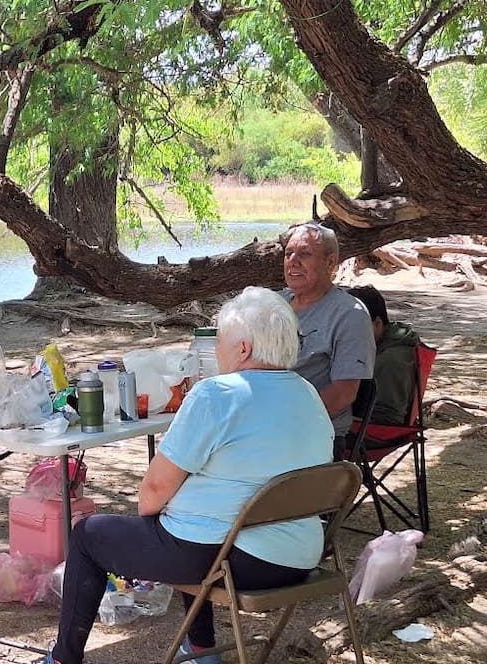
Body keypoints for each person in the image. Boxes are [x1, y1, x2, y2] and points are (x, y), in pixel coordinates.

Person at [46, 287, 334, 664]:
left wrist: (154, 521)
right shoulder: (308, 393)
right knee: (188, 519)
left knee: (89, 535)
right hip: (299, 556)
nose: (217, 351)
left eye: (221, 341)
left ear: (243, 349)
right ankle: (201, 648)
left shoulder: (217, 394)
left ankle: (63, 658)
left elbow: (152, 491)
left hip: (237, 563)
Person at [281, 223, 376, 459]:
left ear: (330, 262)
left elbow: (344, 393)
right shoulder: (274, 304)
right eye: (288, 253)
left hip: (314, 435)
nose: (292, 261)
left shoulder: (349, 314)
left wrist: (282, 424)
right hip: (263, 426)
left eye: (304, 254)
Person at [347, 285, 420, 425]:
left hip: (373, 433)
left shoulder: (391, 361)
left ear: (377, 324)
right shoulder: (380, 346)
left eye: (353, 326)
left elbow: (386, 419)